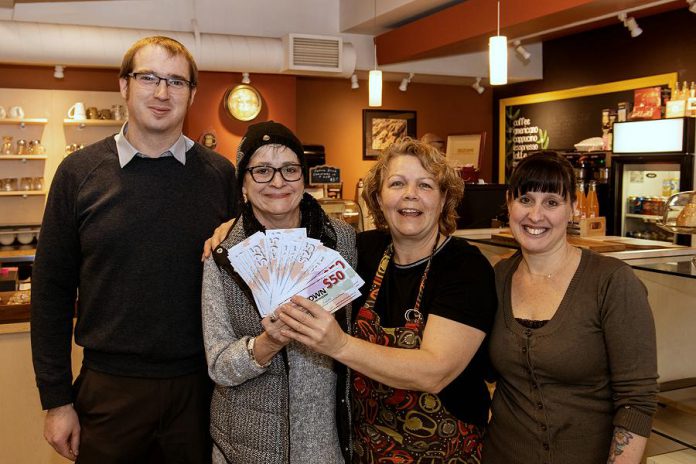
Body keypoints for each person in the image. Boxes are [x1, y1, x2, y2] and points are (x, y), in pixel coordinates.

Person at [31, 36, 237, 463]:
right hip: (108, 390)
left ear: (192, 94)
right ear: (124, 86)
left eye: (176, 82)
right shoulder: (79, 173)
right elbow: (50, 294)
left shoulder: (219, 175)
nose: (162, 93)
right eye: (149, 78)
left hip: (200, 389)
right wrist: (56, 400)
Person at [276, 137, 497, 462]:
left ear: (444, 198)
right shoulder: (361, 251)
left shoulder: (465, 267)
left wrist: (339, 345)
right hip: (367, 448)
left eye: (426, 185)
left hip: (444, 450)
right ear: (378, 198)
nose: (411, 194)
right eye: (397, 183)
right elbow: (287, 236)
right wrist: (233, 228)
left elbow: (434, 372)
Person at [482, 152, 658, 464]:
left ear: (573, 208)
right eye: (525, 199)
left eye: (552, 202)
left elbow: (636, 400)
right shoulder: (497, 278)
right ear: (509, 203)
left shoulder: (611, 282)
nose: (536, 215)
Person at [202, 121, 355, 463]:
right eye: (262, 171)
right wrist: (267, 343)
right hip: (245, 445)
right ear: (243, 182)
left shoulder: (343, 240)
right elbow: (218, 366)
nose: (277, 181)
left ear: (303, 177)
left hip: (326, 442)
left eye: (289, 169)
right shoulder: (223, 255)